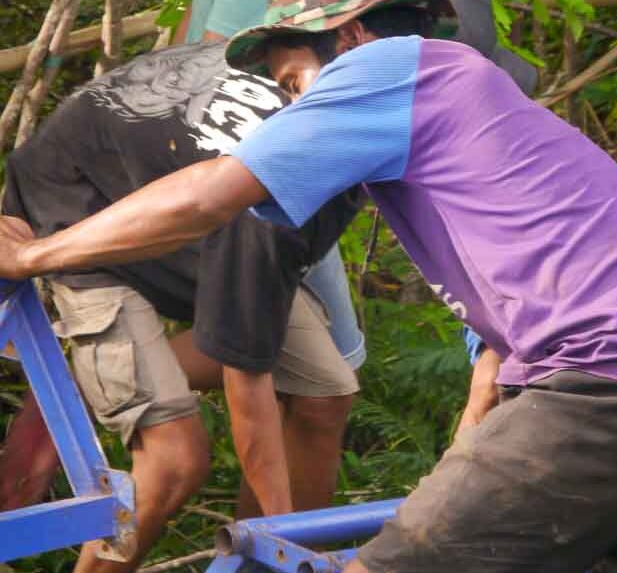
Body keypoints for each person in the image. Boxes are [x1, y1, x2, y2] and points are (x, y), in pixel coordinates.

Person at [2, 0, 617, 573]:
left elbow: (205, 197)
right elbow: (494, 371)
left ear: (346, 34)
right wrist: (456, 480)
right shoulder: (479, 143)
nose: (288, 107)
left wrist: (36, 256)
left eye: (290, 83)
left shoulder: (387, 67)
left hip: (608, 375)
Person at [0, 41, 362, 573]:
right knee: (175, 460)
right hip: (78, 203)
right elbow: (246, 372)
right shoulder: (283, 182)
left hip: (180, 197)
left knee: (323, 397)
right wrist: (282, 537)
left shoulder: (341, 85)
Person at [174, 0, 368, 397]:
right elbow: (211, 59)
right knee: (323, 380)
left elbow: (192, 35)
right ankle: (93, 385)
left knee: (318, 384)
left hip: (270, 160)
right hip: (263, 166)